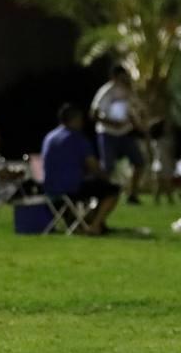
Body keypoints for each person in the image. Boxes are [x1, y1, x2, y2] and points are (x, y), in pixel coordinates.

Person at [41, 104, 120, 234]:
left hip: (49, 188)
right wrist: (106, 177)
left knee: (93, 187)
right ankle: (95, 225)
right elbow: (93, 166)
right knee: (112, 190)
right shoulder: (76, 138)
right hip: (70, 188)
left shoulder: (50, 137)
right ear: (76, 119)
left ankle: (83, 222)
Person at [90, 64, 144, 204]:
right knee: (107, 167)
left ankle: (132, 195)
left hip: (124, 133)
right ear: (114, 77)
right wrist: (110, 123)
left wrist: (136, 124)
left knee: (139, 162)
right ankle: (103, 196)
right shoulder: (105, 92)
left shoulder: (128, 91)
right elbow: (94, 114)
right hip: (107, 133)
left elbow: (134, 110)